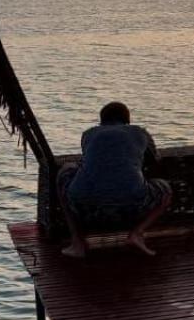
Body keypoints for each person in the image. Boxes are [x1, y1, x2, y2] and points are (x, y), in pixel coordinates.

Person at [57, 101, 173, 257]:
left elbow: (89, 161)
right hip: (132, 206)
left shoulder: (89, 133)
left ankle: (77, 241)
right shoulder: (139, 132)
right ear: (127, 119)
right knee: (165, 189)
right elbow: (154, 160)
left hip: (85, 206)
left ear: (101, 120)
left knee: (65, 171)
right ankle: (136, 234)